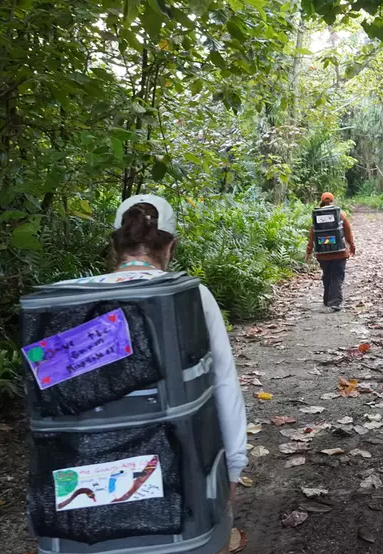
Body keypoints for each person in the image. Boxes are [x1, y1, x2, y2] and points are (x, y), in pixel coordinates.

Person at [59, 194, 246, 554]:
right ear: (171, 246)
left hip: (94, 471)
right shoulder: (193, 295)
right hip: (181, 459)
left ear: (114, 244)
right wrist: (233, 466)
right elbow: (222, 380)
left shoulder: (76, 301)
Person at [305, 192, 356, 311]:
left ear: (321, 201)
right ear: (332, 201)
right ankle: (335, 302)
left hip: (322, 254)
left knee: (327, 275)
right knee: (337, 276)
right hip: (339, 252)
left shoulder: (317, 215)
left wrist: (308, 251)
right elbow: (348, 232)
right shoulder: (340, 214)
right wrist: (352, 247)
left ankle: (327, 299)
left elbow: (312, 235)